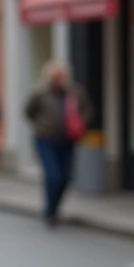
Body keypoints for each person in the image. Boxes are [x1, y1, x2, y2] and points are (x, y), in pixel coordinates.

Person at [24, 60, 92, 227]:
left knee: (65, 177)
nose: (58, 80)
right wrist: (41, 125)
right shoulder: (40, 92)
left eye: (61, 77)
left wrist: (80, 124)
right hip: (45, 139)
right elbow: (28, 111)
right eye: (55, 77)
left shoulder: (74, 91)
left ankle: (54, 207)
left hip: (67, 140)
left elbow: (87, 110)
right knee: (53, 175)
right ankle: (50, 211)